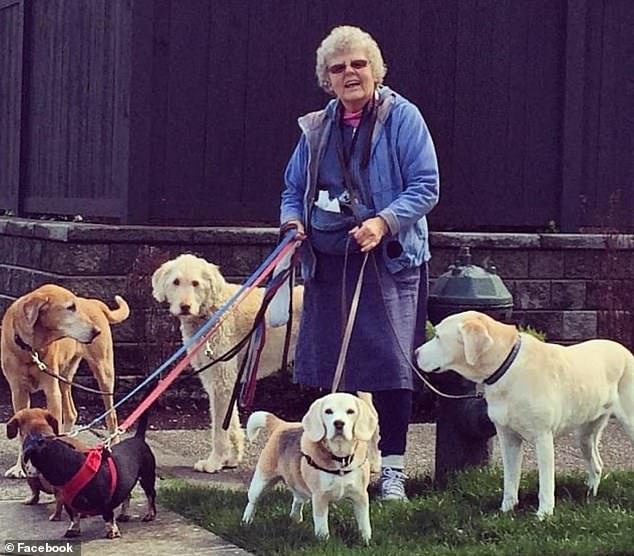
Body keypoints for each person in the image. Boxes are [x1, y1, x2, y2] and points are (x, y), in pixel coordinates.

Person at [280, 25, 439, 501]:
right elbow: (292, 190)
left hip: (388, 262)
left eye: (358, 63)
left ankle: (392, 470)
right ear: (327, 80)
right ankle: (333, 469)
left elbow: (426, 185)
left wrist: (384, 223)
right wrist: (293, 224)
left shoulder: (404, 118)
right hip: (330, 264)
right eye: (338, 67)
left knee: (390, 367)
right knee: (336, 369)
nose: (349, 73)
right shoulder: (315, 128)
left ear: (375, 69)